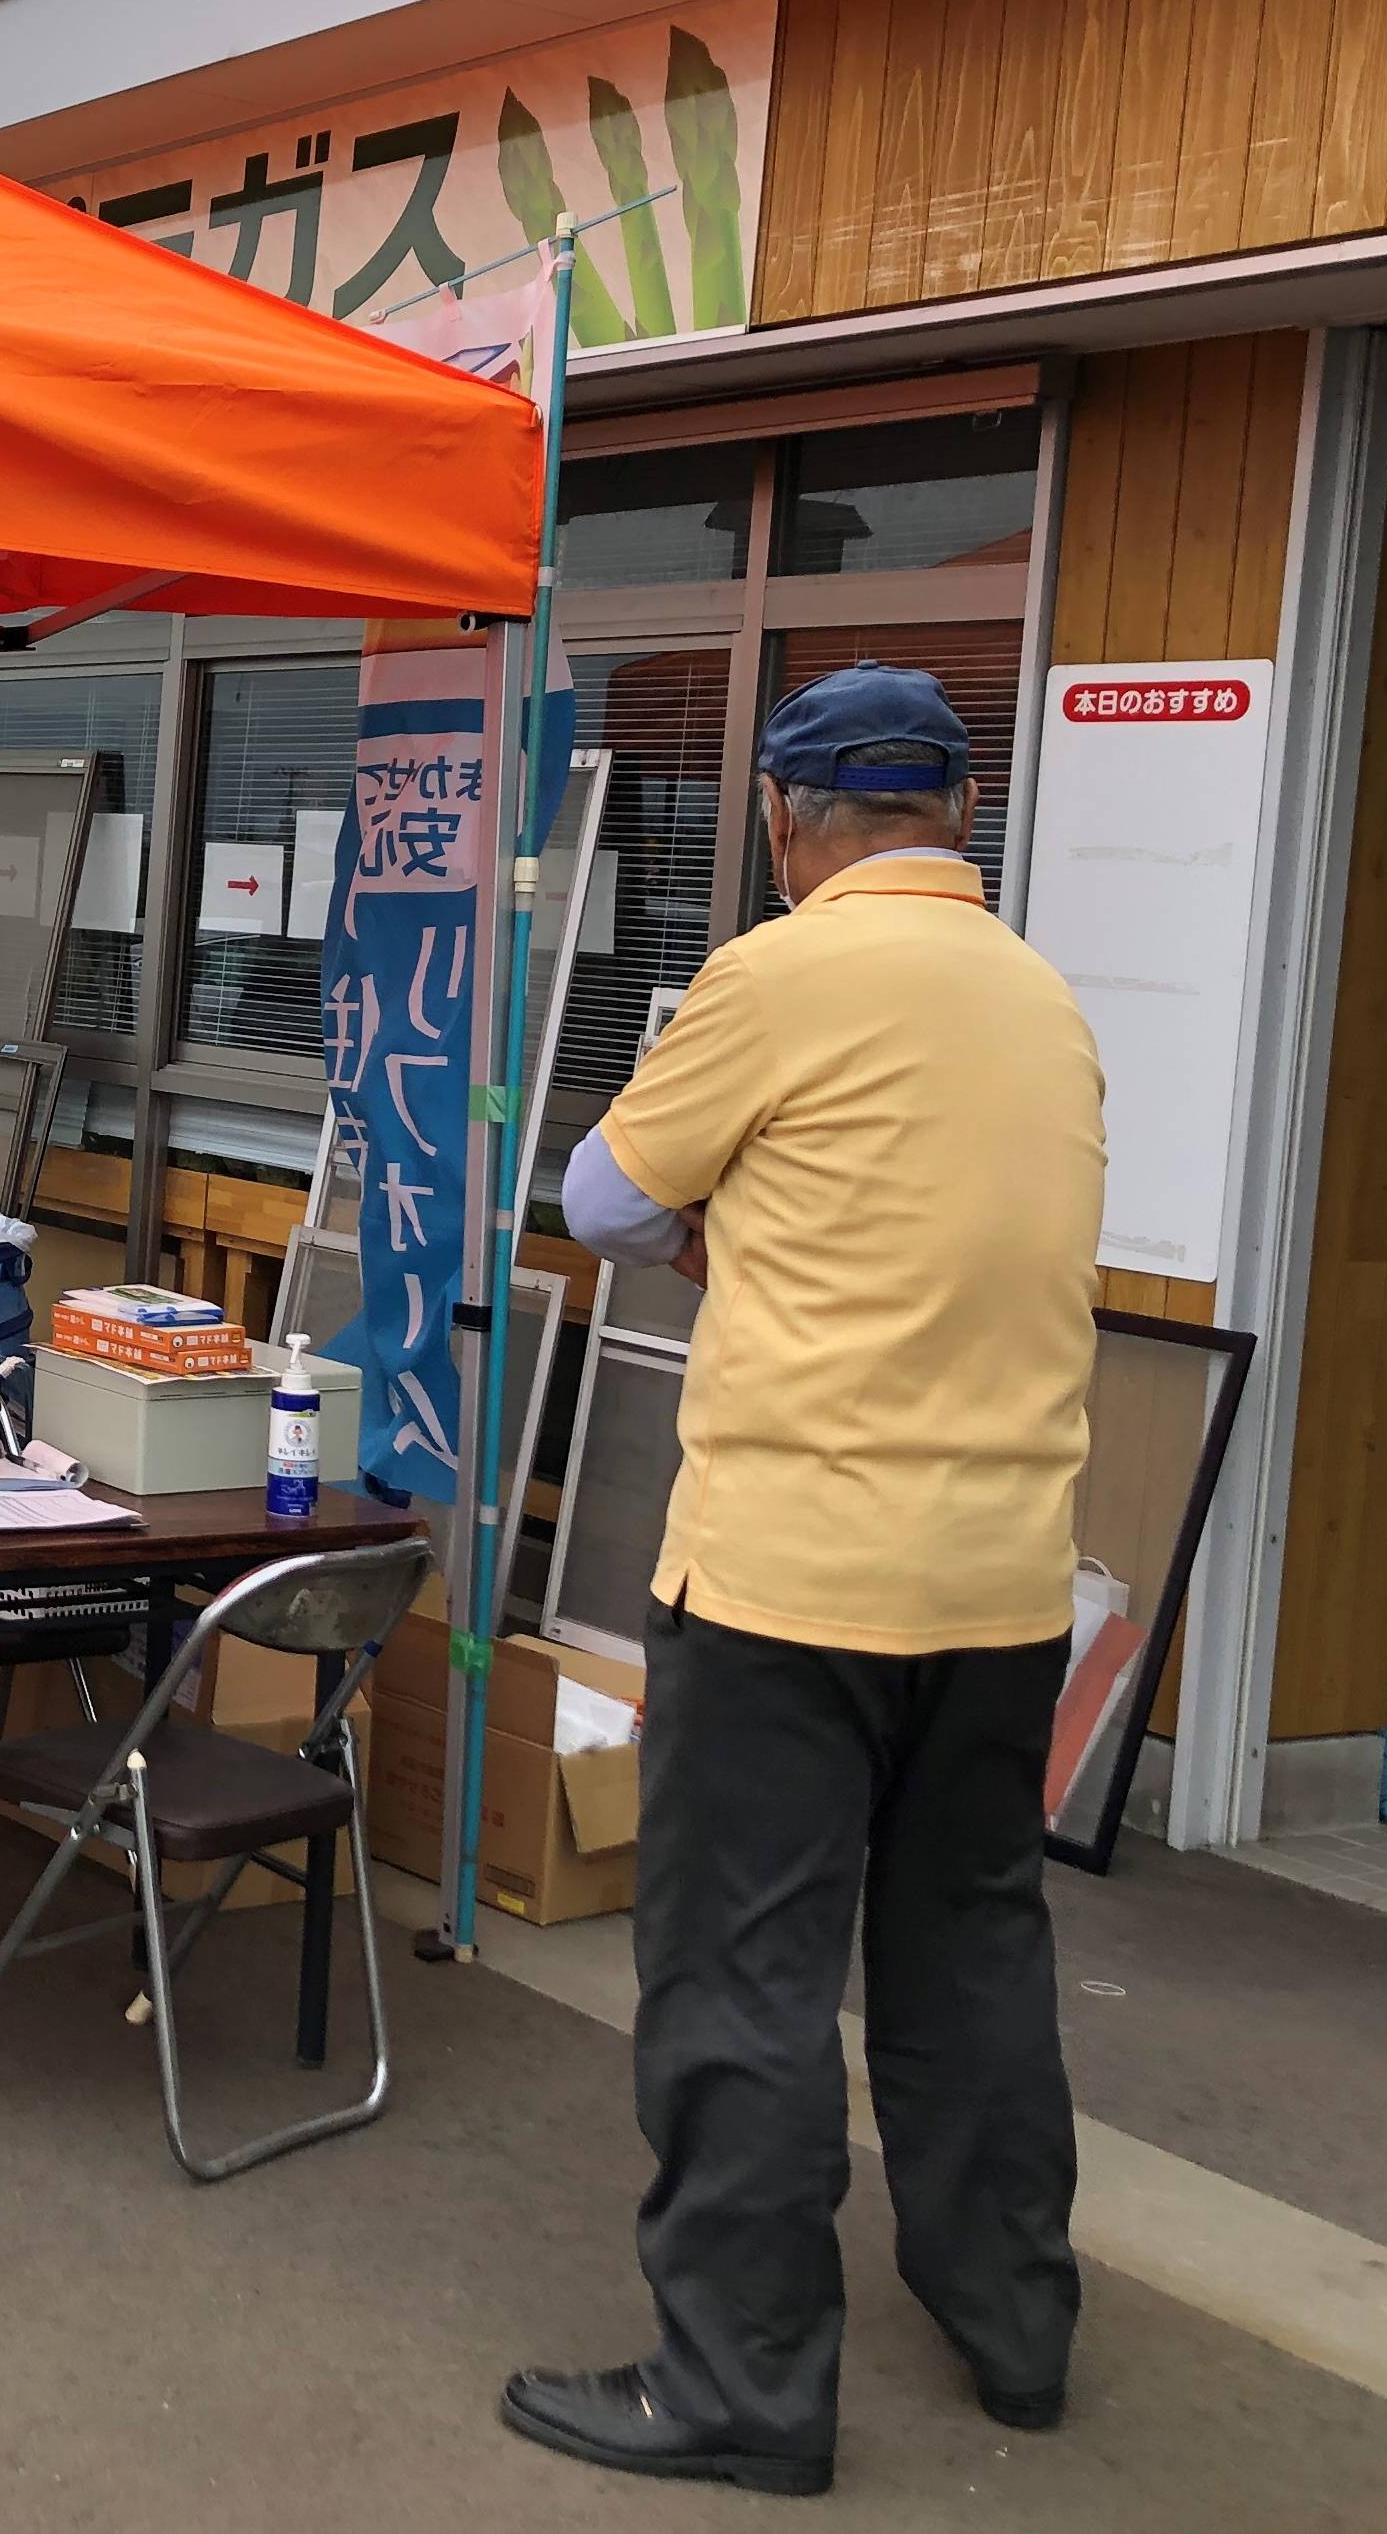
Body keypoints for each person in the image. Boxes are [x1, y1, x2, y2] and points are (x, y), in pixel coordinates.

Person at [502, 664, 1106, 2499]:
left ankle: (743, 2384)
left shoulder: (774, 976)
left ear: (783, 816)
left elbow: (602, 1195)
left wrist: (728, 1228)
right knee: (970, 1947)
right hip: (1004, 1586)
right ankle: (1012, 2326)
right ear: (955, 811)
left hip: (788, 1584)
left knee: (745, 1981)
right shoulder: (1042, 999)